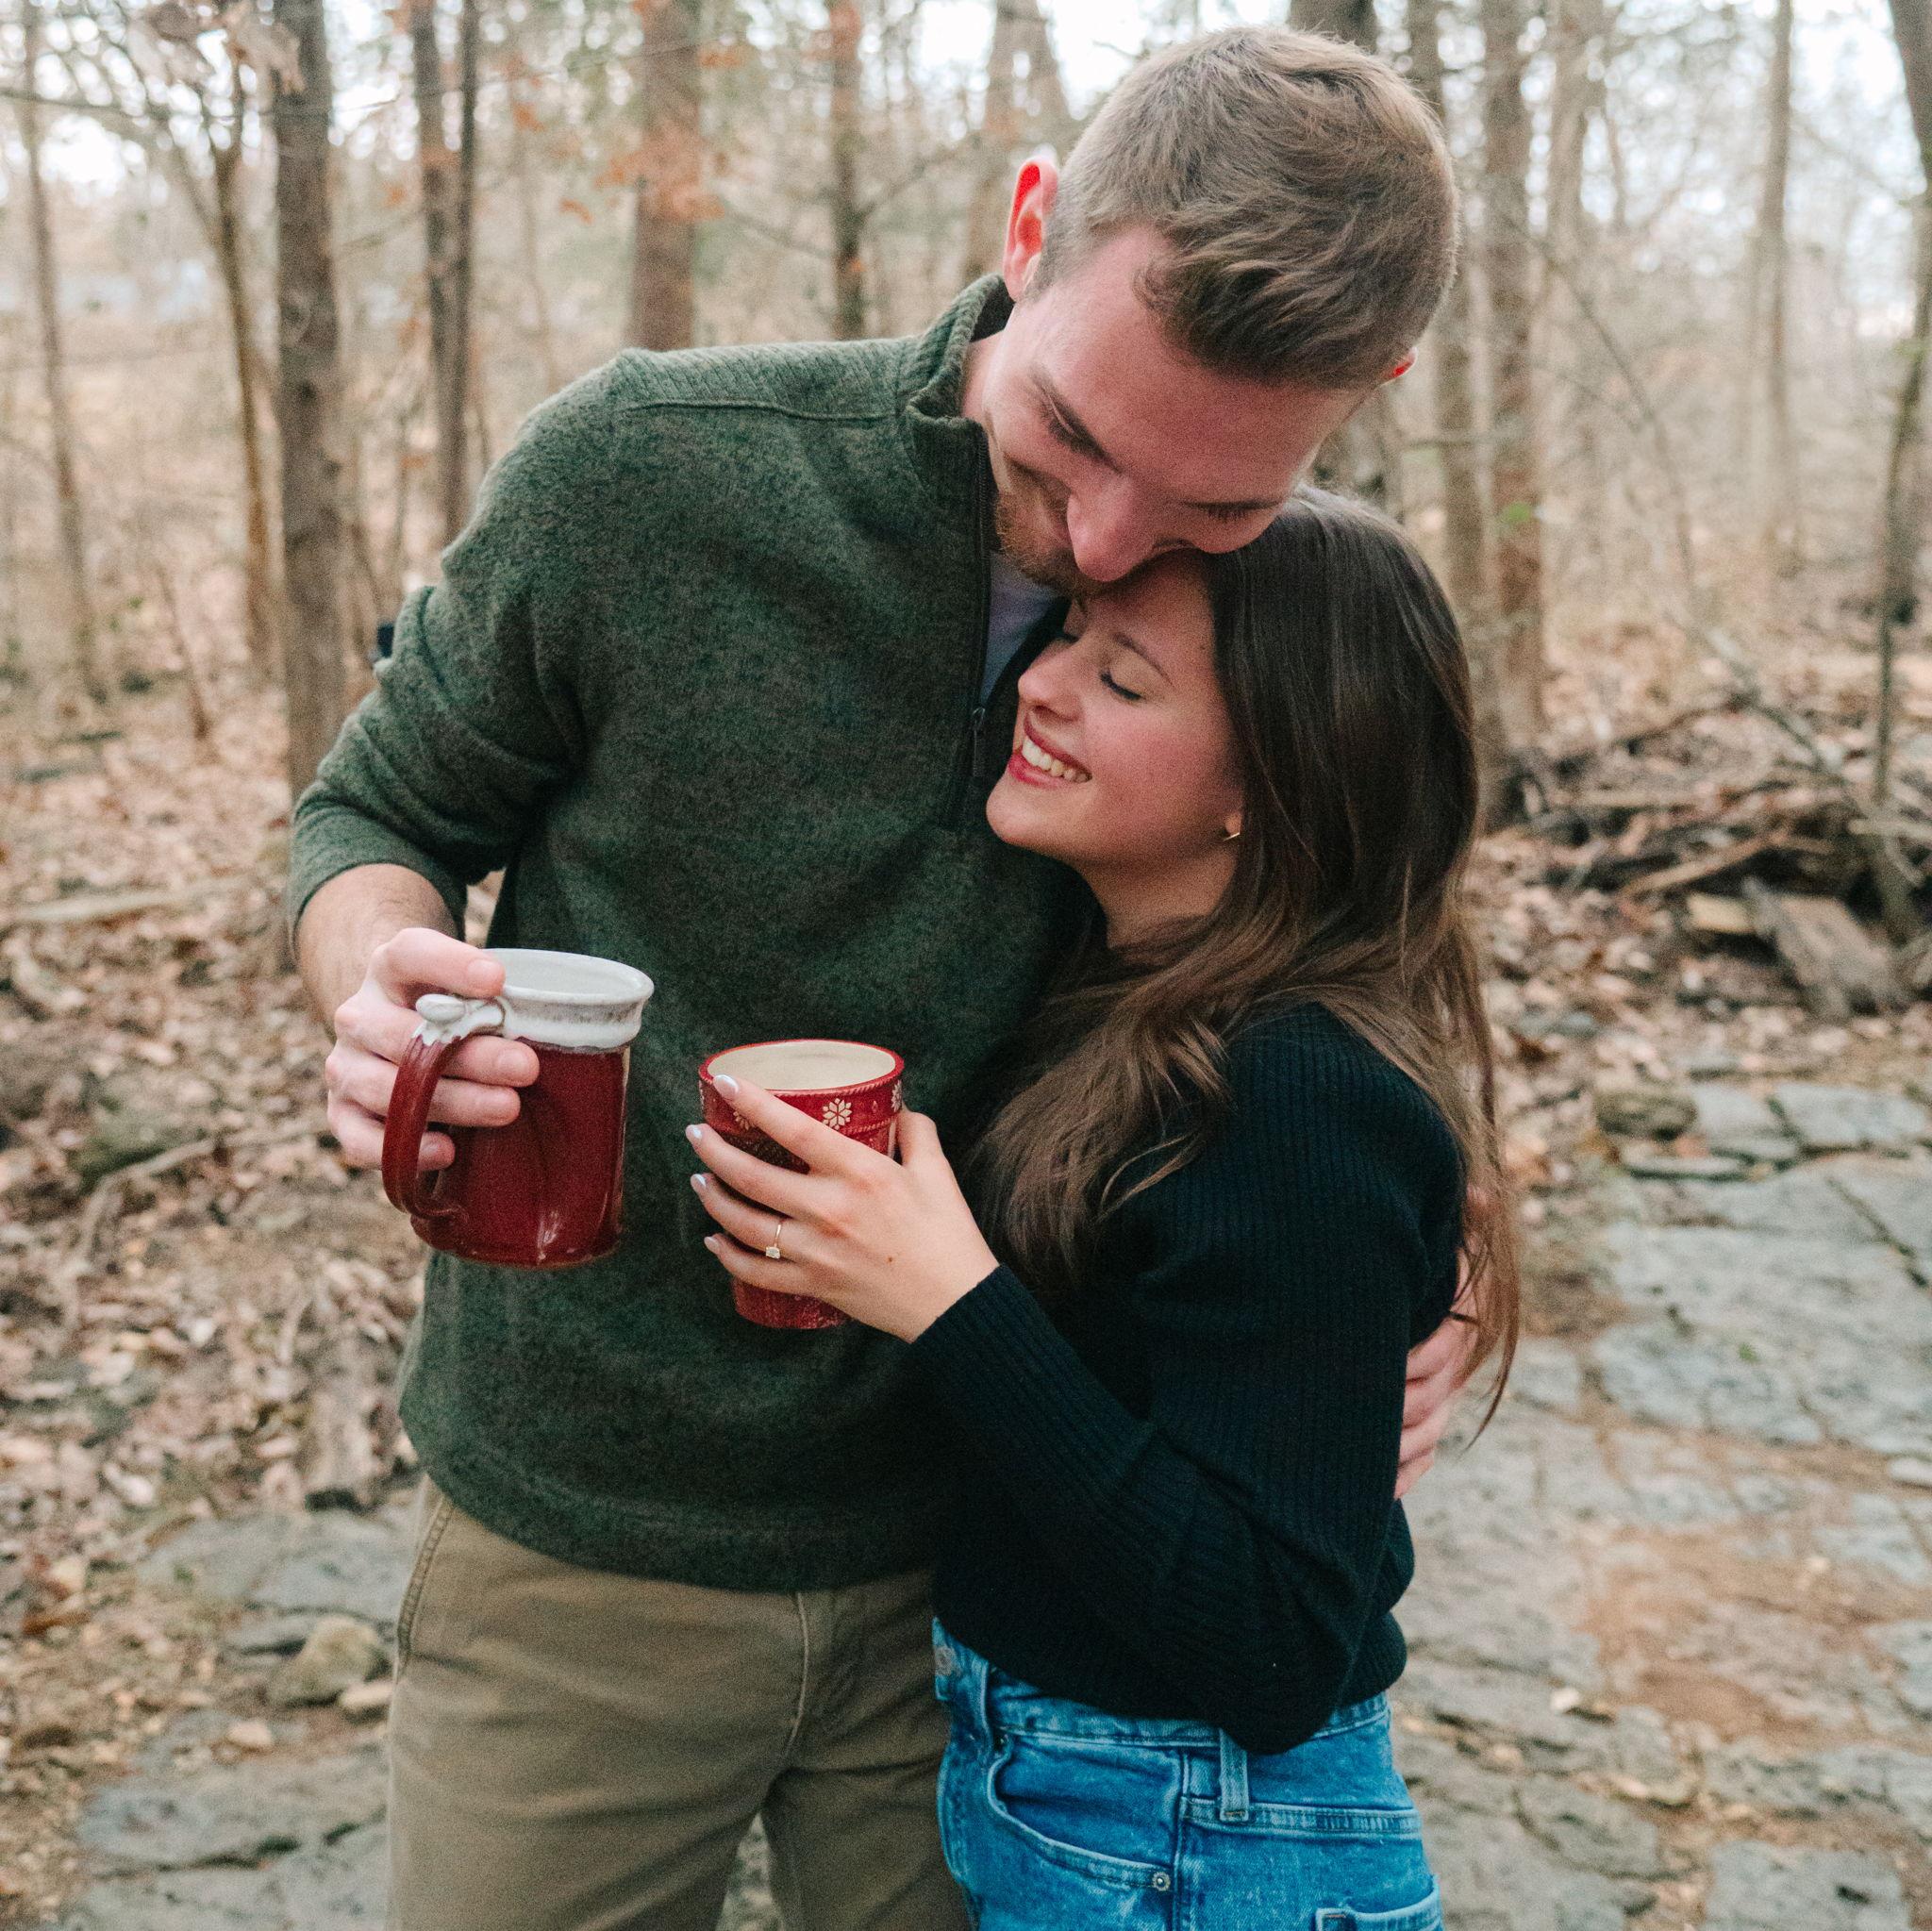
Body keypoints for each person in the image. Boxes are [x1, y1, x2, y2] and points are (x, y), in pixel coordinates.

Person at [289, 26, 1482, 1931]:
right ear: (1029, 223)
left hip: (995, 1580)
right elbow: (374, 808)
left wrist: (1410, 1282)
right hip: (585, 1539)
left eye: (1213, 509)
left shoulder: (1271, 633)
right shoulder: (652, 477)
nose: (1104, 542)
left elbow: (1342, 962)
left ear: (1370, 391)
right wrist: (389, 991)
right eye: (1076, 440)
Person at [687, 491, 1518, 1927]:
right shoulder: (1136, 997)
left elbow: (1276, 1645)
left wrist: (948, 1300)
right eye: (1069, 632)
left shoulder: (1297, 1092)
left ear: (1277, 780)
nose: (1048, 682)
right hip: (1081, 1806)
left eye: (1125, 678)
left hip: (1207, 1848)